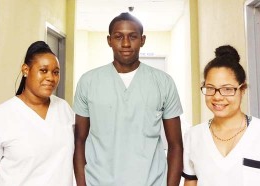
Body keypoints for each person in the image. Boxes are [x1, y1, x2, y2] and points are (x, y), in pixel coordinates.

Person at [73, 12, 183, 186]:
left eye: (132, 36)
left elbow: (176, 145)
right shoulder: (88, 81)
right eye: (118, 37)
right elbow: (79, 140)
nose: (125, 43)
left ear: (143, 40)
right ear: (109, 40)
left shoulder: (163, 82)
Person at [182, 45, 260, 186]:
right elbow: (191, 181)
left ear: (243, 89)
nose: (217, 97)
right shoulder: (193, 136)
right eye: (210, 88)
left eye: (227, 89)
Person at [0, 41, 75, 186]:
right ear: (26, 70)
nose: (51, 78)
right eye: (43, 70)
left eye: (56, 72)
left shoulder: (64, 109)